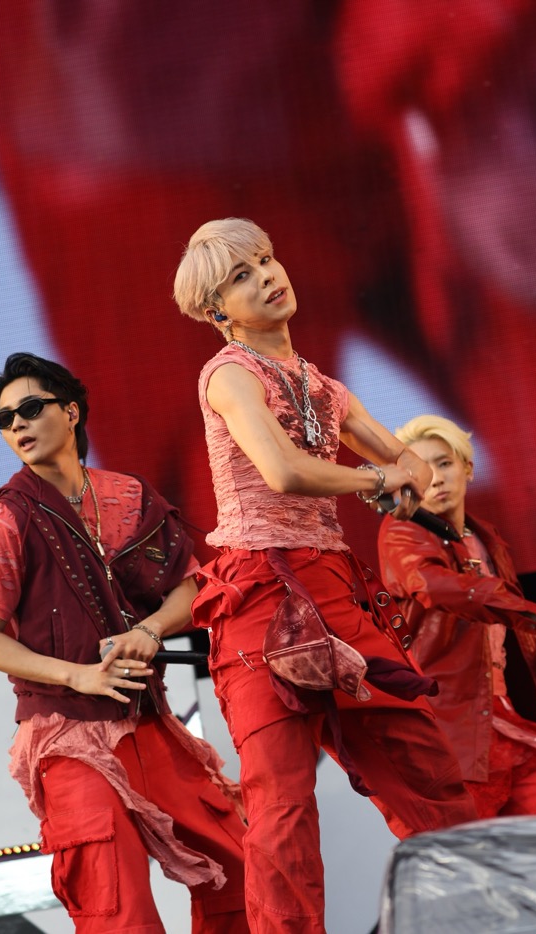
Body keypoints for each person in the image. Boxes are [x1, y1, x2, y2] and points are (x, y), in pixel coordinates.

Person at [173, 218, 478, 933]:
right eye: (241, 276)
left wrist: (405, 476)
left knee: (427, 770)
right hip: (259, 596)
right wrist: (380, 479)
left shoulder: (325, 387)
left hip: (333, 591)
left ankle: (482, 915)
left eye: (266, 260)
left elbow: (409, 462)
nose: (266, 277)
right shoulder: (229, 374)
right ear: (218, 312)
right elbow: (283, 472)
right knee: (280, 807)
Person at [0, 352, 248, 933]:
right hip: (67, 735)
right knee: (117, 910)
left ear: (71, 412)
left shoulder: (128, 495)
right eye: (4, 419)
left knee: (240, 870)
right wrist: (79, 675)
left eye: (30, 408)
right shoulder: (6, 521)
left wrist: (149, 630)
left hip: (148, 724)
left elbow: (190, 588)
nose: (17, 425)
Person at [376, 414, 536, 818]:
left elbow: (507, 613)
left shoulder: (483, 537)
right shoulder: (401, 530)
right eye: (420, 470)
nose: (435, 479)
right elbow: (435, 586)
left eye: (444, 463)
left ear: (468, 469)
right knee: (474, 849)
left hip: (504, 720)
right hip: (448, 729)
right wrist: (533, 617)